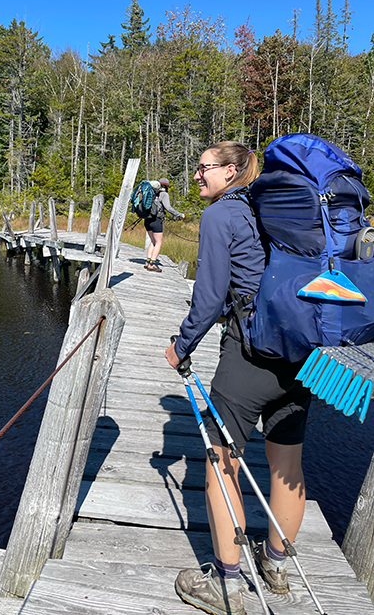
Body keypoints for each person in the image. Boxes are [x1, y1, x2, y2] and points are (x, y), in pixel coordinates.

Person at [165, 142, 311, 615]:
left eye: (203, 168)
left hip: (250, 355)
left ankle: (227, 585)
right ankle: (276, 566)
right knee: (287, 462)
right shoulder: (270, 210)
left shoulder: (221, 215)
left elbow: (208, 299)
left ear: (230, 171)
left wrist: (181, 346)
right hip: (301, 351)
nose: (196, 176)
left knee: (221, 461)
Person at [144, 178, 185, 272]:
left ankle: (147, 262)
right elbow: (168, 208)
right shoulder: (164, 194)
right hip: (156, 220)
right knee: (158, 243)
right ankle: (152, 264)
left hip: (147, 220)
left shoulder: (152, 193)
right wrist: (180, 215)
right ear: (166, 186)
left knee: (153, 241)